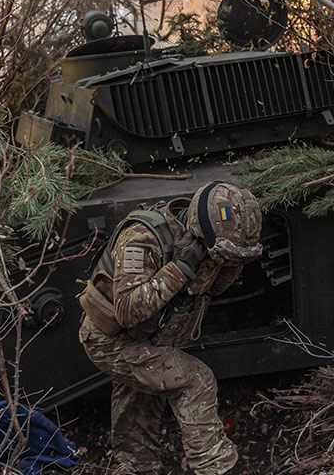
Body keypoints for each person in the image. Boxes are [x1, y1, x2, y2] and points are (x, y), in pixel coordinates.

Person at [78, 182, 263, 475]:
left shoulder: (206, 245)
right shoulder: (142, 238)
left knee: (140, 401)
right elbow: (126, 311)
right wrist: (179, 268)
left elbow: (209, 290)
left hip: (149, 339)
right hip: (110, 341)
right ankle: (216, 467)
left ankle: (136, 467)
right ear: (202, 230)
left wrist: (229, 265)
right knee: (195, 380)